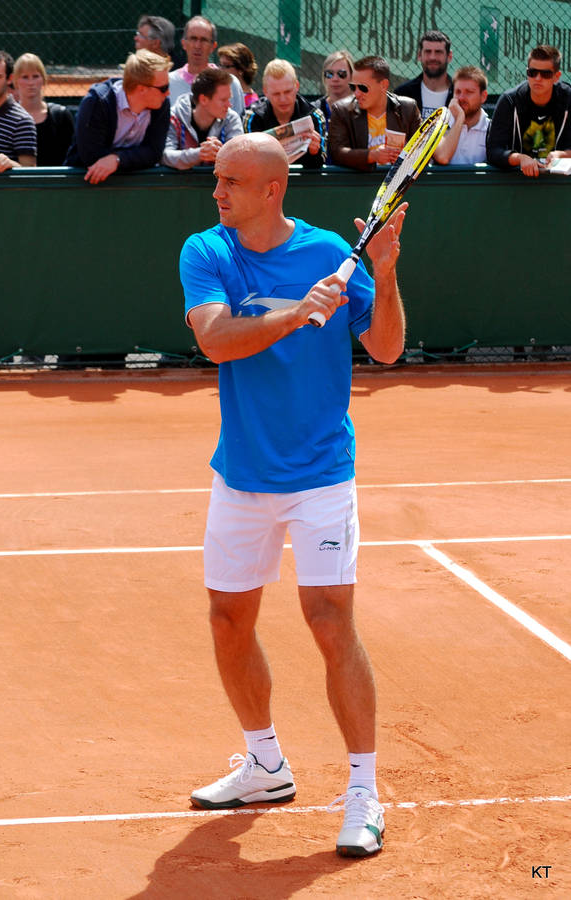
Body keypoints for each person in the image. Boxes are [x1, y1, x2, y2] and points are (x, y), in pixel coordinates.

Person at [179, 131, 407, 858]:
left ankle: (364, 791)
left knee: (328, 619)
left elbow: (388, 348)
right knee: (227, 620)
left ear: (272, 189)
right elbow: (215, 340)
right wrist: (294, 314)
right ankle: (265, 765)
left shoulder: (323, 254)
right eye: (217, 180)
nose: (217, 193)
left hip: (319, 474)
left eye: (230, 182)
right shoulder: (207, 250)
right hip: (242, 472)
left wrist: (385, 271)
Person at [65, 49, 170, 184]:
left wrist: (117, 159)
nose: (168, 93)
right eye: (163, 88)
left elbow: (154, 152)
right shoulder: (98, 102)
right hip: (86, 184)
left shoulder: (161, 105)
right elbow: (92, 157)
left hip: (136, 187)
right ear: (142, 89)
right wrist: (134, 158)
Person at [487, 44, 571, 176]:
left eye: (546, 74)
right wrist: (519, 158)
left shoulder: (568, 99)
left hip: (559, 181)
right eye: (532, 73)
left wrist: (562, 154)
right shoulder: (509, 101)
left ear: (556, 76)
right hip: (517, 180)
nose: (538, 78)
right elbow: (493, 151)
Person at [329, 55, 420, 170]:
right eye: (353, 87)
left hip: (397, 183)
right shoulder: (342, 110)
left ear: (383, 85)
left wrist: (407, 153)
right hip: (360, 184)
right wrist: (372, 156)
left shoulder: (408, 109)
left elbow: (422, 151)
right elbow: (337, 152)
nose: (356, 94)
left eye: (363, 88)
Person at [243, 59, 326, 167]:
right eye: (276, 94)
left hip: (304, 183)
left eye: (287, 92)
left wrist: (314, 151)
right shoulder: (253, 117)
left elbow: (322, 162)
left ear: (296, 86)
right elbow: (248, 162)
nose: (283, 99)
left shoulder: (314, 116)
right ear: (265, 92)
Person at [162, 68, 243, 169]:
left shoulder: (231, 118)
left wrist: (219, 151)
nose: (229, 105)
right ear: (204, 100)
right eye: (223, 100)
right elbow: (165, 156)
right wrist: (200, 154)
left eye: (229, 99)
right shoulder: (174, 117)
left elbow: (239, 157)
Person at [168, 16, 244, 116]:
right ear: (183, 43)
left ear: (213, 46)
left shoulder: (231, 83)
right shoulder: (168, 82)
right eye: (193, 39)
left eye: (203, 40)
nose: (197, 46)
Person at [12, 53, 75, 166]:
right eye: (25, 77)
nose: (31, 83)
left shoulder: (61, 115)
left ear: (43, 79)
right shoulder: (8, 117)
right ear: (16, 81)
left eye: (35, 76)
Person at [432, 66, 489, 165]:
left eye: (469, 92)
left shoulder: (491, 129)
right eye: (458, 92)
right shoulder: (439, 124)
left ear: (483, 96)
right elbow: (442, 157)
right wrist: (459, 119)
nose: (461, 98)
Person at [395, 30, 453, 118]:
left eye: (438, 52)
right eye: (428, 52)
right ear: (419, 55)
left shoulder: (460, 95)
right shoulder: (402, 94)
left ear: (449, 56)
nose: (432, 57)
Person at [312, 49, 354, 124]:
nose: (335, 79)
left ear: (352, 76)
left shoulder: (363, 108)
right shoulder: (313, 111)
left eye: (341, 74)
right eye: (329, 74)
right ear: (324, 77)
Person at [217, 42, 259, 108]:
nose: (220, 69)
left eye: (226, 66)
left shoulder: (252, 103)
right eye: (220, 65)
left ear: (241, 69)